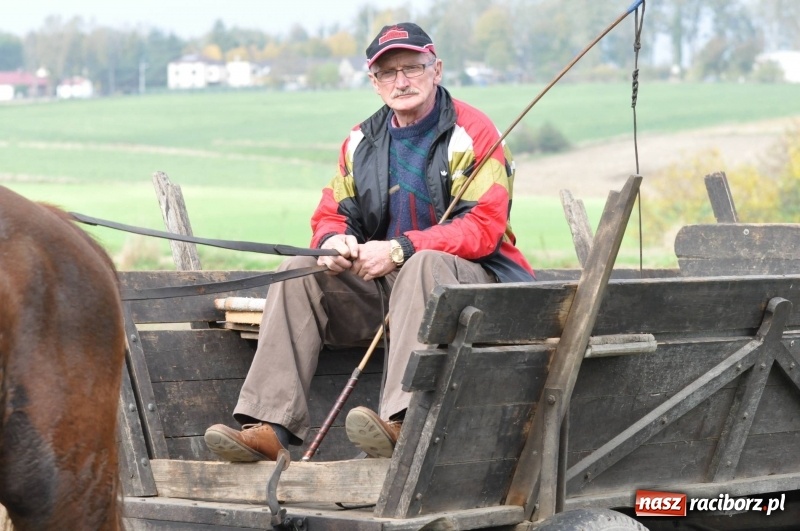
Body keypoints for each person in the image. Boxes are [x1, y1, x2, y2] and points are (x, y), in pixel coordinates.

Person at [204, 22, 535, 462]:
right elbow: (331, 211)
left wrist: (401, 248)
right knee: (297, 270)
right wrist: (333, 241)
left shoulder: (472, 133)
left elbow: (483, 227)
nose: (401, 81)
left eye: (412, 68)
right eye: (388, 72)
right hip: (392, 294)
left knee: (423, 264)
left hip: (475, 292)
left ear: (436, 69)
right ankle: (271, 427)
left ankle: (403, 420)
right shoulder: (361, 141)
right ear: (374, 82)